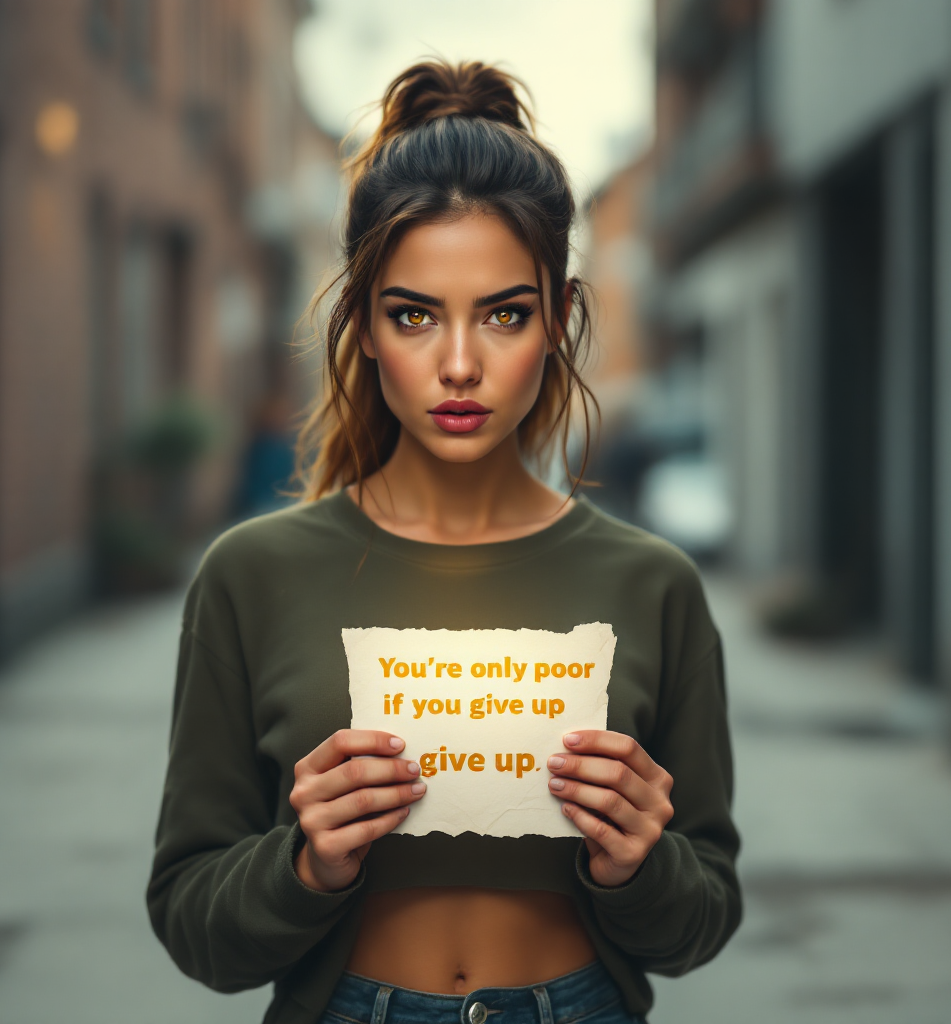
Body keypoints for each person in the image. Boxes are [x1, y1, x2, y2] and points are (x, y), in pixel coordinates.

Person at [148, 60, 741, 1024]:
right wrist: (306, 864)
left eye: (504, 314)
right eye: (414, 314)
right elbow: (192, 924)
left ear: (559, 320)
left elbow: (703, 919)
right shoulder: (250, 576)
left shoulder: (654, 583)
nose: (459, 365)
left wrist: (643, 862)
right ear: (364, 326)